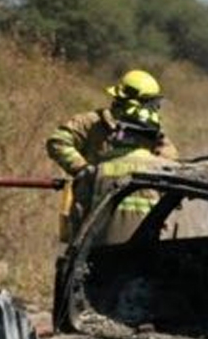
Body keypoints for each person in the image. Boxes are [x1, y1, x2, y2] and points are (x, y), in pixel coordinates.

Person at [66, 102, 171, 245]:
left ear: (121, 133)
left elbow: (78, 216)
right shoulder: (169, 171)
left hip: (100, 259)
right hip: (147, 260)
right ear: (155, 138)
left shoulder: (98, 169)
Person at [46, 69, 179, 179]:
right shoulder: (92, 122)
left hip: (131, 198)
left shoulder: (150, 132)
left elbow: (170, 160)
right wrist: (83, 170)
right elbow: (58, 141)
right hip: (93, 199)